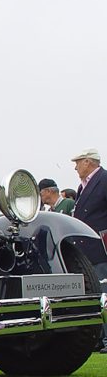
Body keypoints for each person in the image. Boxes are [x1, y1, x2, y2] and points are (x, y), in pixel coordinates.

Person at [71, 147, 107, 352]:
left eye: (78, 162)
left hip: (100, 248)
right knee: (93, 295)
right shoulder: (82, 187)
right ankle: (98, 338)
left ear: (88, 162)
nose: (76, 167)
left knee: (104, 293)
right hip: (86, 250)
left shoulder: (104, 179)